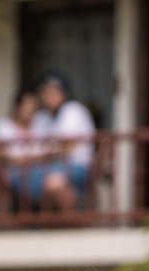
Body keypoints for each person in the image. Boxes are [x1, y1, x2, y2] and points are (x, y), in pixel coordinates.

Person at [32, 71, 94, 212]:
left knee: (54, 182)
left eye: (54, 91)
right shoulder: (41, 117)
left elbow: (66, 147)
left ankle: (69, 223)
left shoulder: (73, 110)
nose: (49, 96)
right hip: (48, 166)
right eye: (45, 92)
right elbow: (35, 147)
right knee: (19, 178)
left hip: (77, 166)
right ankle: (45, 223)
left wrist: (43, 153)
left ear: (64, 93)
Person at [0, 89, 52, 209]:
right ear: (17, 107)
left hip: (40, 171)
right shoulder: (3, 126)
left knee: (55, 178)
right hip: (13, 174)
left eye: (33, 108)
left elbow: (48, 151)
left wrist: (31, 160)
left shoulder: (41, 125)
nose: (30, 111)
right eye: (27, 106)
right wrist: (22, 161)